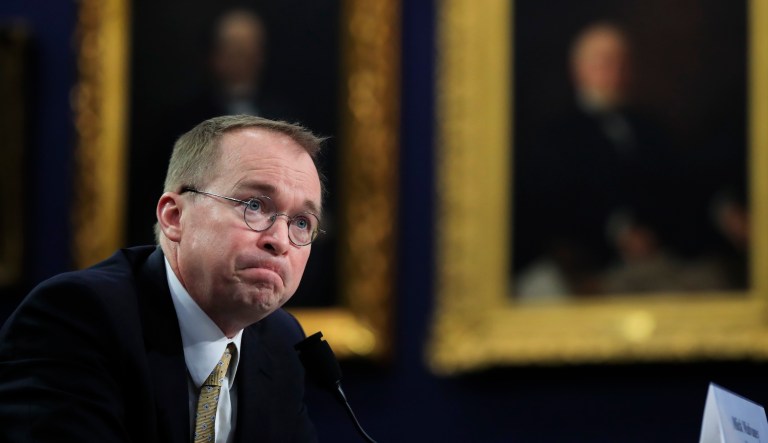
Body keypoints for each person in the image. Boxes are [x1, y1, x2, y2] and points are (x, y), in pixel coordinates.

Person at [0, 115, 324, 442]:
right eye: (254, 205)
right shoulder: (79, 317)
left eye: (301, 223)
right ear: (174, 217)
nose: (280, 240)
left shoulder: (281, 341)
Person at [514, 22, 680, 296]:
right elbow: (552, 209)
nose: (615, 71)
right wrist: (617, 232)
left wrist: (651, 233)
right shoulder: (555, 134)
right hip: (588, 261)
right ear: (578, 69)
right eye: (604, 62)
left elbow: (673, 191)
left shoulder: (650, 128)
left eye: (622, 62)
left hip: (655, 259)